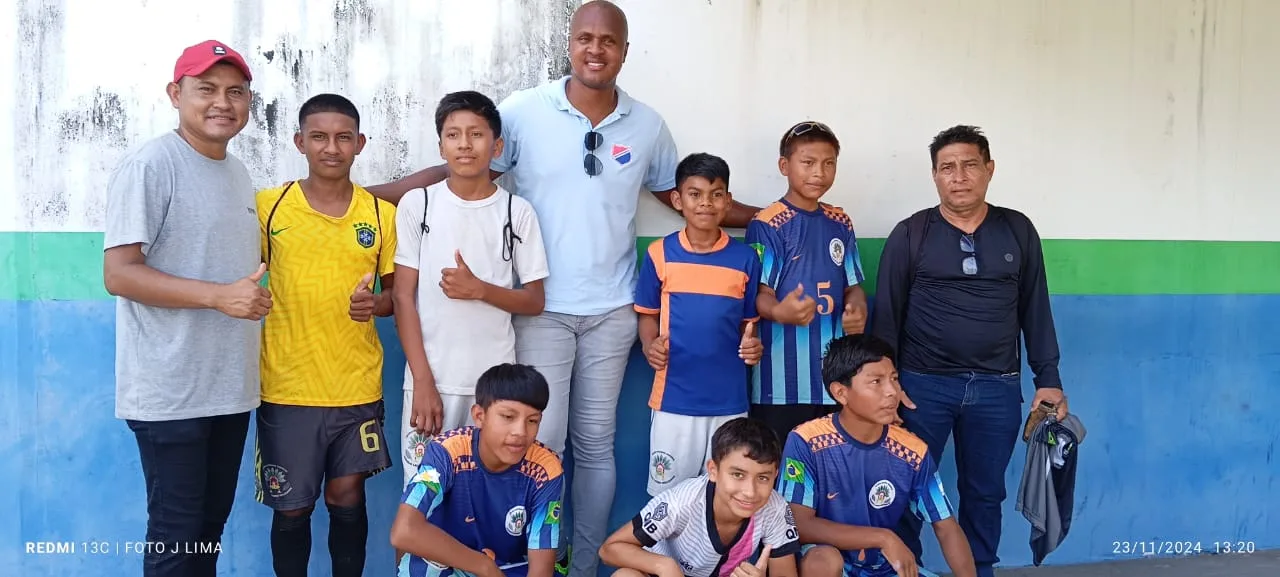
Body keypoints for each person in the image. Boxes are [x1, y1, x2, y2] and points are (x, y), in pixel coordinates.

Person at [369, 4, 761, 576]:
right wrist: (377, 192)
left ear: (624, 51)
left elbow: (680, 193)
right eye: (585, 38)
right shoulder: (525, 111)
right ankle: (531, 564)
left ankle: (582, 568)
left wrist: (773, 215)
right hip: (539, 312)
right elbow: (465, 162)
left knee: (596, 445)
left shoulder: (648, 125)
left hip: (613, 310)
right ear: (569, 45)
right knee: (536, 445)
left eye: (609, 40)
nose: (595, 49)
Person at [869, 125, 1067, 577]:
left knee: (985, 494)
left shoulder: (1016, 230)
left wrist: (1048, 379)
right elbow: (887, 317)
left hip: (996, 390)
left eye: (969, 165)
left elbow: (1035, 309)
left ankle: (980, 570)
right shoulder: (911, 233)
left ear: (989, 170)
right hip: (922, 388)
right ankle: (905, 570)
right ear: (935, 176)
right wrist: (887, 387)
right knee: (906, 488)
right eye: (947, 168)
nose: (958, 176)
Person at [102, 39, 263, 576]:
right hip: (170, 391)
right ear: (176, 94)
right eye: (207, 89)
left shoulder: (237, 173)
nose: (223, 102)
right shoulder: (151, 165)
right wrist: (220, 297)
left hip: (228, 387)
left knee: (206, 534)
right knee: (176, 535)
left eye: (235, 92)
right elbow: (119, 273)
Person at [251, 93, 397, 577]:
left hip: (355, 385)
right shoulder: (269, 208)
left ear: (360, 143)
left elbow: (397, 296)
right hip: (287, 386)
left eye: (342, 137)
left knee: (346, 495)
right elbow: (238, 279)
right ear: (300, 142)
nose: (330, 147)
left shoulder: (380, 215)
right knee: (291, 506)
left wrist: (375, 304)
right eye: (318, 136)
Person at [391, 90, 549, 487]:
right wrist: (422, 381)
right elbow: (401, 297)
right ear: (441, 144)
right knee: (421, 502)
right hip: (432, 384)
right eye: (453, 134)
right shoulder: (418, 204)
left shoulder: (517, 211)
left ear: (496, 146)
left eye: (476, 134)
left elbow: (534, 300)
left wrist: (480, 289)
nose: (465, 144)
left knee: (484, 500)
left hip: (494, 390)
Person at [778, 334, 976, 577]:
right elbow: (798, 523)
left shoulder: (912, 451)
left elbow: (946, 526)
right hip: (829, 565)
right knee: (822, 560)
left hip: (881, 568)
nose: (892, 391)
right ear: (841, 393)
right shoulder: (805, 441)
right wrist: (883, 538)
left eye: (894, 379)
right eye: (876, 381)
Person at [635, 152, 764, 495]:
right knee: (668, 498)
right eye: (695, 194)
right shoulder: (660, 254)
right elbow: (647, 315)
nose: (705, 203)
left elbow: (749, 328)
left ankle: (717, 553)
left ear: (728, 201)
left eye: (716, 194)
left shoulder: (745, 258)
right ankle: (664, 552)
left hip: (729, 403)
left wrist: (754, 346)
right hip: (673, 401)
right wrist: (650, 345)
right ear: (677, 200)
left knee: (724, 495)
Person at [745, 121, 869, 442]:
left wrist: (857, 307)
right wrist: (780, 312)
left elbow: (853, 285)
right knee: (779, 468)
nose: (819, 173)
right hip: (780, 383)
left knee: (829, 467)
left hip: (834, 378)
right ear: (785, 166)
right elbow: (758, 295)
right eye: (808, 163)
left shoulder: (840, 221)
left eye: (829, 164)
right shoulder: (768, 223)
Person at [390, 363, 564, 577]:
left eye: (532, 421)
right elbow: (404, 531)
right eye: (508, 417)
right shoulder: (447, 452)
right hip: (450, 564)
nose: (520, 432)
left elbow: (540, 571)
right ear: (479, 416)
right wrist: (483, 566)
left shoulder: (545, 470)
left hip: (510, 567)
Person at [598, 417, 800, 577]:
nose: (750, 491)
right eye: (737, 475)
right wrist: (663, 565)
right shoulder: (682, 502)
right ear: (713, 470)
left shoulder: (775, 508)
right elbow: (609, 549)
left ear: (775, 475)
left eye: (763, 478)